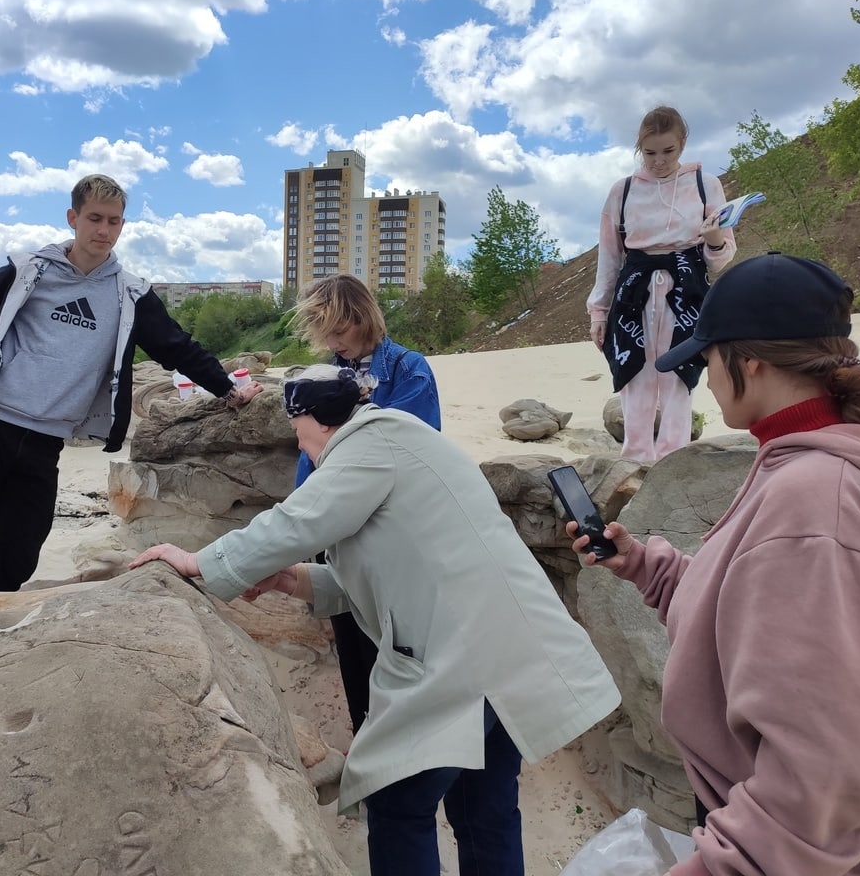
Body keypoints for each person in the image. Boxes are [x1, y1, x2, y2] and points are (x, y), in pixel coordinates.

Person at [132, 365, 620, 876]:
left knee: (395, 803)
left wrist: (201, 561)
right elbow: (389, 571)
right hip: (506, 652)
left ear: (317, 420)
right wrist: (290, 580)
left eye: (299, 437)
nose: (302, 451)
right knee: (484, 810)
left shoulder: (371, 443)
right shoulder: (398, 445)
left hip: (462, 658)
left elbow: (297, 520)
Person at [568, 253, 860, 876]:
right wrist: (644, 566)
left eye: (707, 358)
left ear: (752, 362)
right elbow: (755, 614)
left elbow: (817, 778)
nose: (705, 377)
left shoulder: (819, 501)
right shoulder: (797, 464)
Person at [0, 173, 263, 608]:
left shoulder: (130, 292)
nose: (104, 230)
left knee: (18, 559)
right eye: (95, 219)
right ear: (73, 218)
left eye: (115, 221)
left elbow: (176, 346)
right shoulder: (30, 269)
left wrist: (229, 391)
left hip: (45, 444)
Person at [291, 274, 441, 735]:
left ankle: (406, 740)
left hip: (389, 533)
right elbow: (308, 453)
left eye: (340, 330)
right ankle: (366, 734)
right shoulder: (323, 376)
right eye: (324, 334)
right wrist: (300, 514)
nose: (333, 342)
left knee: (394, 643)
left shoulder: (409, 370)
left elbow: (410, 450)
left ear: (363, 318)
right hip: (335, 530)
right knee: (351, 645)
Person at [588, 105, 737, 463]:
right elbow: (609, 257)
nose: (659, 161)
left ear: (682, 144)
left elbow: (722, 256)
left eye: (668, 151)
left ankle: (674, 458)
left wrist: (714, 237)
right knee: (634, 375)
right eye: (650, 152)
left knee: (678, 374)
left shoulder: (705, 185)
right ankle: (634, 458)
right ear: (640, 149)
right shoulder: (622, 191)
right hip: (634, 291)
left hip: (687, 287)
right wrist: (598, 311)